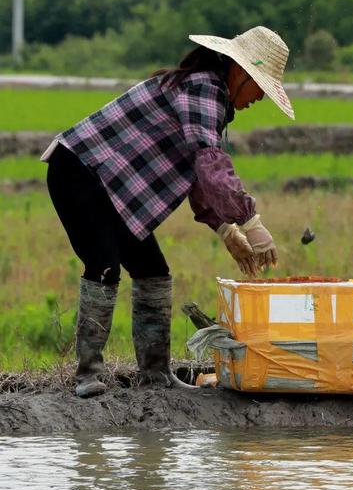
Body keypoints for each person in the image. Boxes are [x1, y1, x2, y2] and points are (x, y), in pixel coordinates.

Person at [43, 26, 295, 398]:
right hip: (81, 170)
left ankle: (155, 376)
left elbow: (198, 176)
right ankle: (87, 376)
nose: (260, 98)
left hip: (113, 187)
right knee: (104, 263)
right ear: (242, 73)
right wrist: (250, 221)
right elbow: (211, 165)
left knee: (152, 272)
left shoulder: (210, 97)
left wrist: (226, 231)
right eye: (261, 86)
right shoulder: (204, 89)